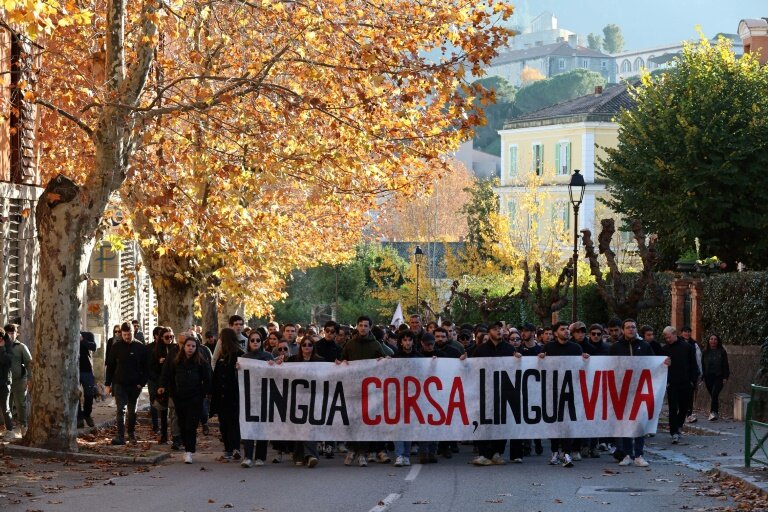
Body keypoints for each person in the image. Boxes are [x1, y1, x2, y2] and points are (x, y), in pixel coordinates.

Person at [338, 315, 387, 467]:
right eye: (361, 325)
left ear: (370, 328)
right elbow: (342, 360)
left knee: (365, 421)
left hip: (370, 390)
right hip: (353, 388)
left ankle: (362, 454)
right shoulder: (350, 344)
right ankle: (353, 449)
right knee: (354, 420)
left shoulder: (376, 345)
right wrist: (342, 363)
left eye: (366, 326)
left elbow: (386, 362)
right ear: (357, 326)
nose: (363, 328)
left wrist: (383, 361)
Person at [539, 321, 589, 468]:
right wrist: (540, 358)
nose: (566, 331)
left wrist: (585, 360)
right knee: (554, 422)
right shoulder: (548, 348)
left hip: (570, 390)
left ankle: (566, 452)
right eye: (563, 329)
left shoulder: (576, 348)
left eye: (567, 329)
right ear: (556, 333)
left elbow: (581, 368)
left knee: (567, 422)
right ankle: (555, 451)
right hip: (552, 390)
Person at [470, 321, 518, 466]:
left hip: (504, 391)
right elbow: (472, 368)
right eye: (495, 329)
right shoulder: (480, 350)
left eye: (500, 329)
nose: (498, 331)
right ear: (489, 332)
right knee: (484, 423)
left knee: (501, 422)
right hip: (485, 392)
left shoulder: (510, 349)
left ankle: (497, 453)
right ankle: (484, 454)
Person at [158, 335, 212, 464]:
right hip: (179, 397)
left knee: (191, 425)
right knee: (182, 424)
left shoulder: (201, 362)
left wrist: (203, 393)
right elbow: (168, 375)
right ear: (184, 347)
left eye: (193, 346)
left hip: (195, 398)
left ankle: (189, 451)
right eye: (188, 346)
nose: (190, 348)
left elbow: (208, 379)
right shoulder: (176, 361)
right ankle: (185, 446)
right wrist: (166, 388)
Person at [609, 319, 653, 467]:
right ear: (623, 330)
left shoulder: (645, 346)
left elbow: (653, 363)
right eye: (628, 327)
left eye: (633, 327)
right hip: (622, 391)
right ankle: (627, 454)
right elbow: (608, 365)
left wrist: (664, 363)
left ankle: (639, 454)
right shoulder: (616, 347)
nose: (631, 330)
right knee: (626, 423)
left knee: (639, 423)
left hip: (640, 390)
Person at [105, 322, 147, 445]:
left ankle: (131, 433)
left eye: (129, 334)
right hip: (119, 383)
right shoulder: (116, 347)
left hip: (135, 385)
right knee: (120, 410)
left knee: (132, 410)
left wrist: (141, 383)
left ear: (133, 333)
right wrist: (108, 384)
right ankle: (120, 436)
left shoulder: (140, 347)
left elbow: (146, 368)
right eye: (125, 334)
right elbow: (110, 366)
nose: (127, 337)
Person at [285, 335, 324, 468]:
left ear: (313, 347)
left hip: (314, 398)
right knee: (298, 426)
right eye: (304, 345)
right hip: (296, 399)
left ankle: (311, 455)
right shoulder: (292, 360)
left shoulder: (321, 361)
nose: (307, 347)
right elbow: (281, 373)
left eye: (310, 345)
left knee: (310, 426)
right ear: (300, 347)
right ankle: (299, 455)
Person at [239, 332, 274, 468]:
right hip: (249, 396)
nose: (255, 342)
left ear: (261, 342)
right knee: (249, 426)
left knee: (262, 427)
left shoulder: (268, 356)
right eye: (252, 340)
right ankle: (247, 457)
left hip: (265, 396)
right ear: (248, 342)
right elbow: (239, 380)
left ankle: (260, 457)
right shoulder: (244, 358)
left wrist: (273, 366)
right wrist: (238, 370)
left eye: (258, 340)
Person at [661, 326, 700, 444]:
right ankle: (674, 431)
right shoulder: (665, 349)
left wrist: (693, 380)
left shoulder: (687, 347)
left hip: (686, 382)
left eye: (669, 337)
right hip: (672, 383)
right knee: (673, 408)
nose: (667, 339)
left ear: (674, 334)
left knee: (684, 407)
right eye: (665, 338)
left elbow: (693, 364)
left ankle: (679, 425)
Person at [211, 328, 244, 459]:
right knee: (225, 422)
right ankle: (229, 448)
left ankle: (233, 447)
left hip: (233, 394)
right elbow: (217, 376)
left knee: (232, 422)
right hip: (222, 394)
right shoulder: (221, 356)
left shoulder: (239, 355)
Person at [5, 324, 32, 436]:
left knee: (21, 405)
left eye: (13, 333)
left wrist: (29, 379)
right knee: (7, 406)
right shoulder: (2, 346)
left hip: (19, 380)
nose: (10, 335)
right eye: (8, 333)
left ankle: (24, 428)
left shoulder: (21, 347)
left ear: (17, 333)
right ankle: (9, 430)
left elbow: (29, 364)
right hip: (5, 382)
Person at [702, 334, 729, 421]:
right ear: (708, 341)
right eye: (711, 339)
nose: (713, 341)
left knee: (714, 393)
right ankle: (715, 413)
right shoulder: (705, 352)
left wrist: (725, 377)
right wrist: (702, 376)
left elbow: (725, 365)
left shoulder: (722, 352)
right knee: (714, 395)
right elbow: (702, 364)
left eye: (715, 339)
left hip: (719, 376)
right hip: (708, 377)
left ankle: (712, 412)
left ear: (718, 341)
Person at [681, 327, 703, 423]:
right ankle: (682, 412)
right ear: (681, 333)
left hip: (692, 373)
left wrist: (700, 372)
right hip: (680, 373)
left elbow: (698, 358)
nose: (687, 333)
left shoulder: (694, 344)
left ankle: (689, 414)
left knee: (690, 394)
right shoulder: (677, 343)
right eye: (685, 331)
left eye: (689, 331)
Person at [78, 331, 98, 428]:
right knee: (75, 395)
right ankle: (79, 418)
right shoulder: (68, 334)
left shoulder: (88, 335)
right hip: (73, 371)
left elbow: (93, 347)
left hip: (87, 370)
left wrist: (82, 340)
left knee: (89, 394)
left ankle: (87, 415)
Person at [0, 327, 14, 438]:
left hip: (4, 382)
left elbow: (6, 360)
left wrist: (2, 348)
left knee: (5, 407)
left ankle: (10, 430)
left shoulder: (8, 347)